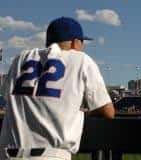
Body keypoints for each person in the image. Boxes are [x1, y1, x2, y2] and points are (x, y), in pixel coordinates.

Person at [0, 17, 115, 160]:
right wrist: (83, 114)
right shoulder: (81, 59)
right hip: (52, 154)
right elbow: (108, 111)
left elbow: (8, 99)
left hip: (8, 154)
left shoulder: (21, 58)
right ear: (75, 42)